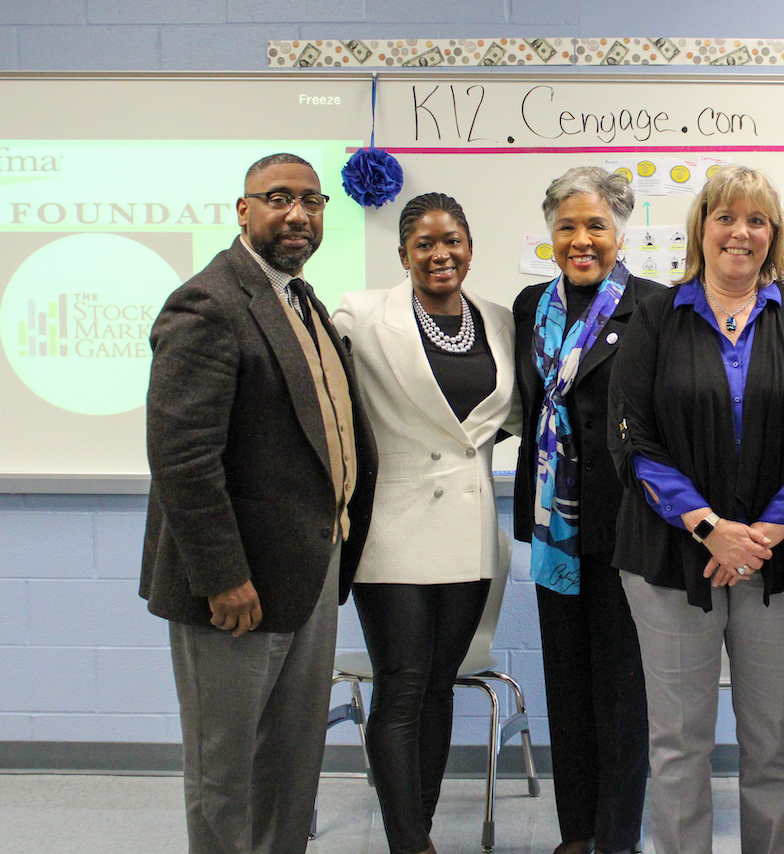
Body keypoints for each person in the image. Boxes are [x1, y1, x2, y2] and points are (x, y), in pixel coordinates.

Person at [141, 152, 378, 854]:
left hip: (308, 573)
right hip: (236, 588)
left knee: (290, 767)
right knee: (226, 772)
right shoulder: (208, 303)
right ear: (243, 210)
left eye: (313, 200)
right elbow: (183, 458)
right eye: (279, 198)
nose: (298, 214)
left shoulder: (301, 300)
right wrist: (222, 576)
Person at [609, 164, 784, 854]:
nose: (739, 232)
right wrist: (712, 530)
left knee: (771, 740)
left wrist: (763, 534)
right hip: (668, 560)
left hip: (779, 561)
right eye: (725, 217)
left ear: (773, 236)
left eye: (756, 220)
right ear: (701, 229)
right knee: (679, 744)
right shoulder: (653, 315)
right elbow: (632, 438)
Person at [333, 193, 520, 854]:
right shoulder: (360, 314)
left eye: (454, 242)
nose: (441, 255)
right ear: (404, 252)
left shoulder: (499, 322)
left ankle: (423, 826)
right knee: (402, 686)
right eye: (425, 244)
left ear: (470, 245)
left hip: (469, 536)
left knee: (439, 686)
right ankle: (409, 842)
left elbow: (521, 415)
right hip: (393, 530)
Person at [512, 166, 663, 854]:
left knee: (622, 698)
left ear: (621, 232)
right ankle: (576, 835)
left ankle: (616, 838)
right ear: (550, 233)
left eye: (595, 226)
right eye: (567, 226)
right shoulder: (528, 308)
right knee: (567, 689)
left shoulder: (655, 308)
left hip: (629, 532)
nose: (581, 240)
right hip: (554, 533)